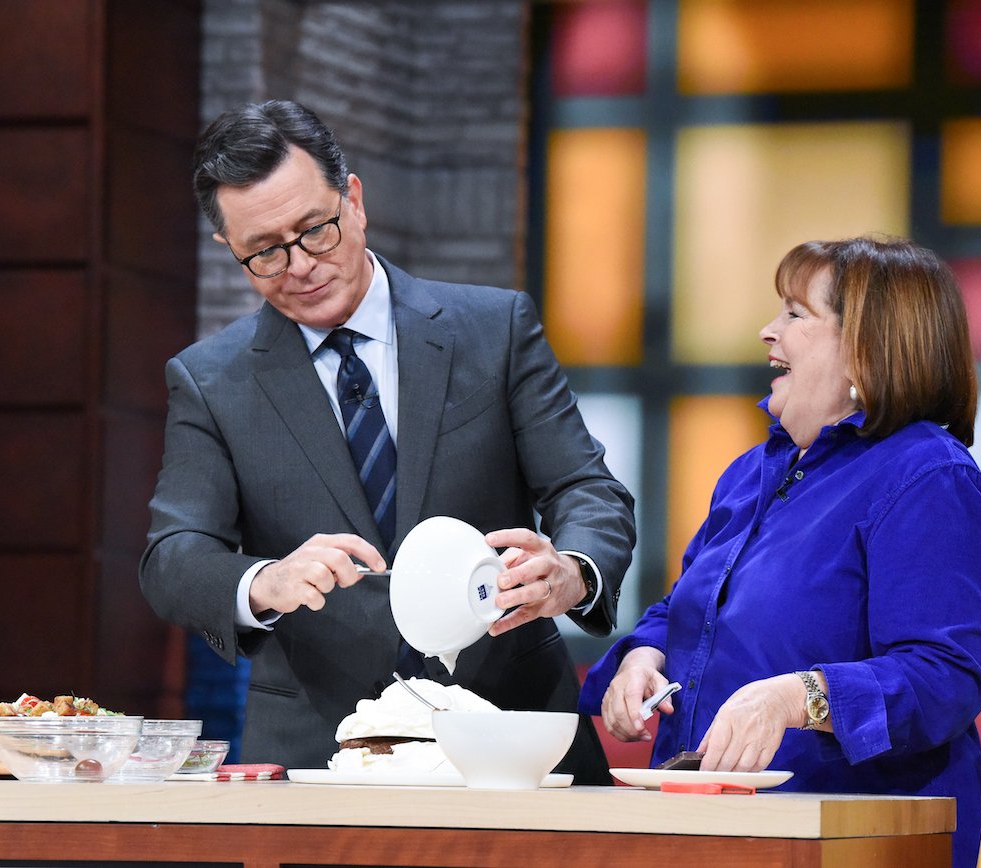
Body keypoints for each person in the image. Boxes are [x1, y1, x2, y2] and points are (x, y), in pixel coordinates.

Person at [140, 100, 635, 783]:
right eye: (265, 252)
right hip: (319, 748)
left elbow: (587, 488)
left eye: (315, 230)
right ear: (230, 248)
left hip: (515, 731)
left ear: (355, 199)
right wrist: (266, 580)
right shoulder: (210, 379)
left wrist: (573, 569)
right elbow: (173, 557)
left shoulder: (493, 328)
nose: (300, 265)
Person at [580, 236, 981, 868]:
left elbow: (944, 676)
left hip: (861, 844)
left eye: (794, 313)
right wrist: (643, 654)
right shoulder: (750, 471)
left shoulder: (928, 477)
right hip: (721, 836)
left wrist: (797, 698)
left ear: (867, 344)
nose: (766, 332)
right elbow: (689, 607)